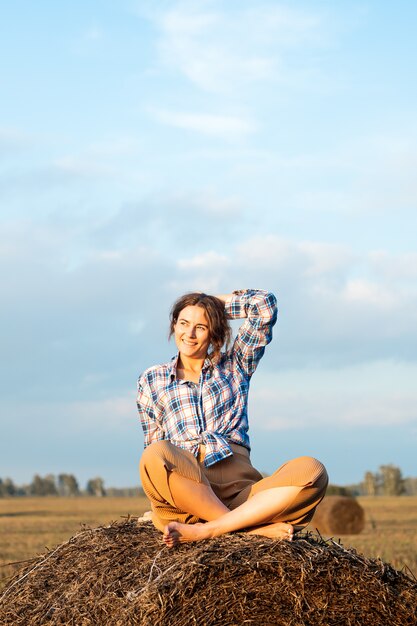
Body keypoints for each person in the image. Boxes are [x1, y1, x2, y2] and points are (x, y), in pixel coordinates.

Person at [137, 289, 328, 548]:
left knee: (313, 471)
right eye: (183, 323)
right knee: (155, 453)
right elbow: (153, 447)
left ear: (214, 333)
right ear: (174, 325)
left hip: (243, 495)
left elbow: (264, 305)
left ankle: (215, 529)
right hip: (188, 498)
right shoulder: (152, 379)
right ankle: (246, 530)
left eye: (201, 326)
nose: (189, 334)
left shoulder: (235, 365)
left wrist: (211, 303)